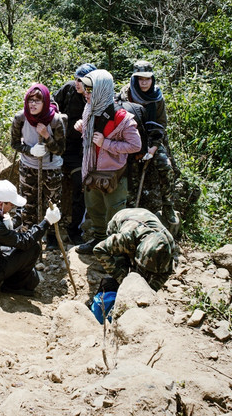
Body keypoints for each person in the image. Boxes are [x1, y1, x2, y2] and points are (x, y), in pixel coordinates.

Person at [74, 69, 142, 254]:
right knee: (94, 209)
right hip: (91, 170)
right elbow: (90, 133)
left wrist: (107, 144)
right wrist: (82, 127)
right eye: (86, 90)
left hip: (113, 174)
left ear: (102, 89)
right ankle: (98, 241)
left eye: (90, 90)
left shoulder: (121, 117)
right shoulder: (89, 108)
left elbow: (135, 145)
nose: (86, 94)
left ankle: (114, 252)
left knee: (115, 214)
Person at [0, 180, 61, 296]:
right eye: (11, 204)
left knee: (31, 277)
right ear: (1, 204)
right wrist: (47, 221)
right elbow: (25, 241)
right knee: (33, 248)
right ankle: (12, 286)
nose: (12, 207)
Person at [115, 60, 179, 235]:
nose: (144, 82)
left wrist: (153, 148)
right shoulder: (126, 94)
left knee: (166, 167)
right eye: (140, 79)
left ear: (152, 79)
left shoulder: (157, 96)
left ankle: (168, 205)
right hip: (131, 139)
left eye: (147, 79)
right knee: (130, 174)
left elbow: (161, 123)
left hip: (152, 139)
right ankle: (128, 215)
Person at [11, 83, 67, 245]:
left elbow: (60, 149)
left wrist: (47, 137)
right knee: (28, 203)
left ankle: (52, 235)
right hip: (28, 167)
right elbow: (14, 144)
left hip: (51, 168)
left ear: (46, 102)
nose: (33, 104)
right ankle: (29, 234)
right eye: (30, 100)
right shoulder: (20, 118)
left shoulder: (55, 120)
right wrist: (30, 150)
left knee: (53, 202)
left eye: (38, 101)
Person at [54, 63, 97, 243]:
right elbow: (52, 103)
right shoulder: (69, 89)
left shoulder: (97, 96)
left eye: (82, 80)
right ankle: (50, 230)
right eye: (76, 78)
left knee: (80, 185)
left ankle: (74, 231)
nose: (78, 83)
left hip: (79, 152)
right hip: (58, 146)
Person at [93, 207, 179, 290]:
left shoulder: (168, 246)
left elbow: (166, 272)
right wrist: (121, 277)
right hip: (122, 218)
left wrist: (152, 289)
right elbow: (99, 249)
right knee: (121, 264)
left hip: (146, 217)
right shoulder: (127, 238)